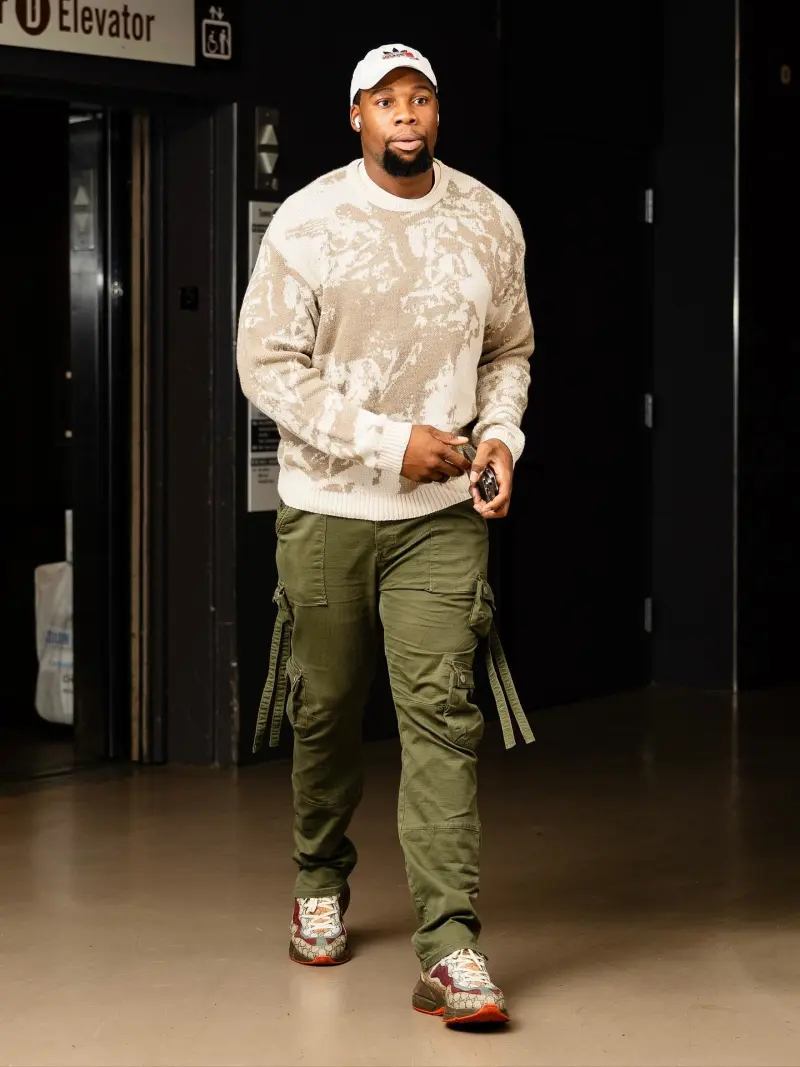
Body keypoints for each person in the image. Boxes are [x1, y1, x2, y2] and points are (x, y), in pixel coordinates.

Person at [237, 42, 534, 1027]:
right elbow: (267, 366)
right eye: (383, 101)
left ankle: (450, 948)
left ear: (436, 116)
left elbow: (509, 349)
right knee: (323, 707)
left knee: (441, 719)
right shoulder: (311, 220)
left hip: (441, 520)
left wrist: (498, 435)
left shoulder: (486, 219)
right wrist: (382, 440)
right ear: (355, 117)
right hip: (326, 507)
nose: (403, 115)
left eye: (420, 99)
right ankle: (318, 875)